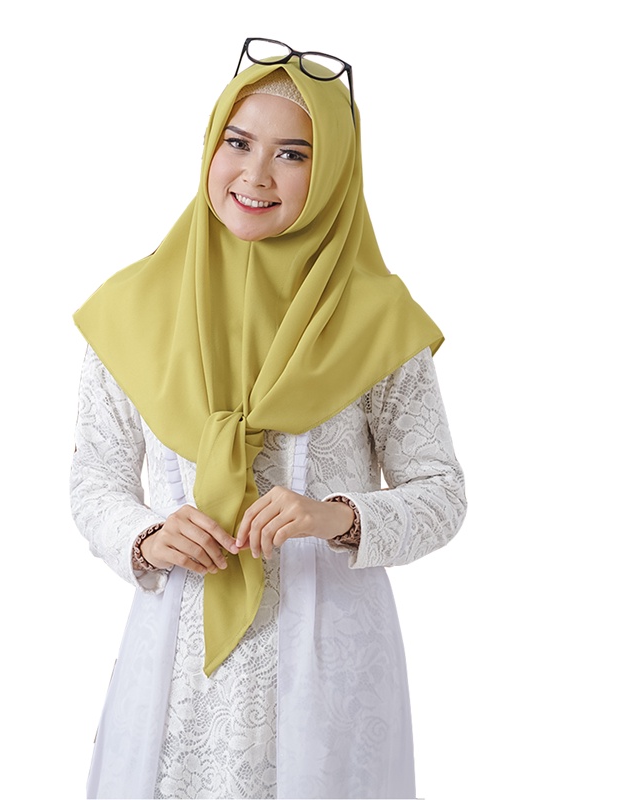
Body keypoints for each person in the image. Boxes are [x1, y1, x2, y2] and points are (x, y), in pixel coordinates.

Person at [71, 38, 466, 800]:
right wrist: (147, 536)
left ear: (335, 173)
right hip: (175, 674)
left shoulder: (377, 321)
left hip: (329, 667)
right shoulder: (134, 310)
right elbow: (95, 478)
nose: (255, 174)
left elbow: (442, 492)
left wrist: (333, 516)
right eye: (238, 143)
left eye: (293, 154)